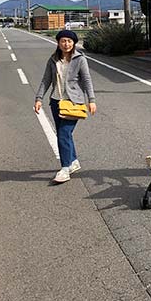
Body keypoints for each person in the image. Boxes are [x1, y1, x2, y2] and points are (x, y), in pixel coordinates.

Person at [34, 29, 97, 184]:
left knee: (63, 133)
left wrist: (91, 100)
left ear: (74, 43)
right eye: (63, 41)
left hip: (73, 102)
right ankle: (73, 161)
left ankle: (65, 169)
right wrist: (39, 98)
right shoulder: (53, 59)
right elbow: (45, 80)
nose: (66, 44)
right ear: (58, 43)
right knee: (65, 134)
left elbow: (87, 80)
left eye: (69, 41)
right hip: (56, 102)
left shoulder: (80, 59)